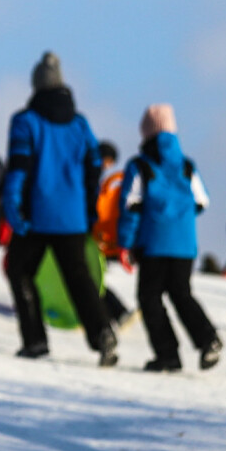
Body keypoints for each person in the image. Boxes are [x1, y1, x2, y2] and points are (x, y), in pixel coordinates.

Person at [3, 51, 116, 365]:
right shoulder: (80, 124)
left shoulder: (26, 121)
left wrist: (13, 209)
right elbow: (95, 167)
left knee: (20, 271)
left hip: (36, 217)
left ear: (36, 85)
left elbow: (18, 168)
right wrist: (90, 210)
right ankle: (103, 333)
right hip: (73, 218)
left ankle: (35, 340)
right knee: (79, 277)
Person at [116, 104, 222, 371]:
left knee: (149, 298)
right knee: (182, 293)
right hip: (185, 245)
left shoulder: (140, 166)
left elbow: (131, 206)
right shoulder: (187, 166)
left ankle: (168, 355)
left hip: (153, 243)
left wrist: (125, 243)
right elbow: (202, 201)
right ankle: (208, 339)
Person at [89, 140, 134, 329]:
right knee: (87, 277)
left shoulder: (101, 178)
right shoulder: (97, 176)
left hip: (91, 233)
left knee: (87, 277)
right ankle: (115, 313)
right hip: (91, 233)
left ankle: (114, 313)